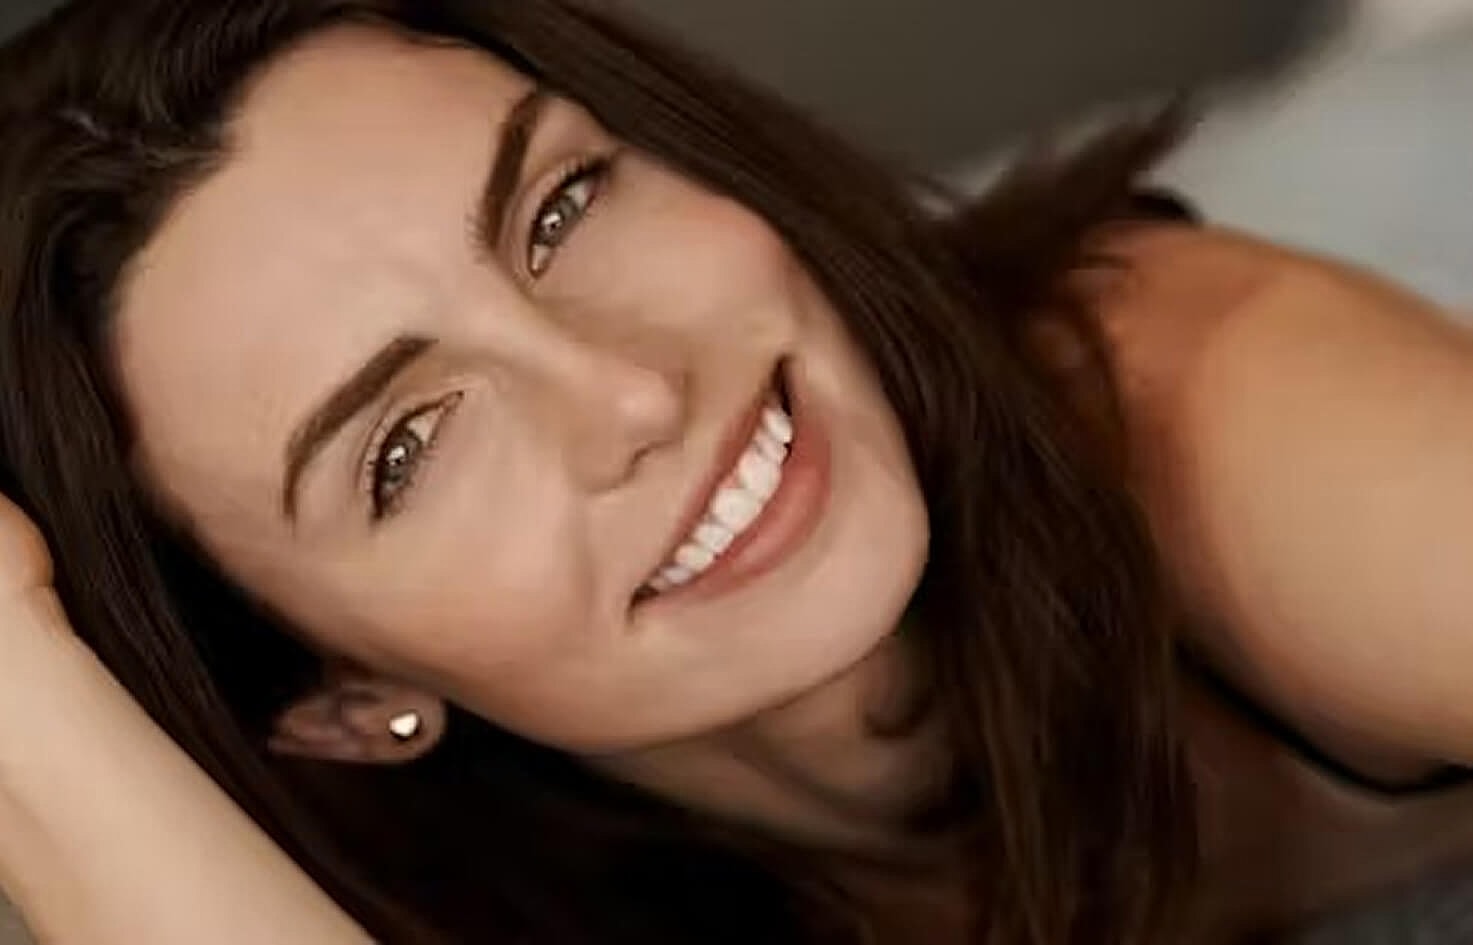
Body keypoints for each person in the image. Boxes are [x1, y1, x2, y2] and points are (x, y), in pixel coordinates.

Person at [1, 1, 1471, 943]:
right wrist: (32, 706)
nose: (629, 388)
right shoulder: (472, 889)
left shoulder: (1223, 417)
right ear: (333, 700)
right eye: (407, 446)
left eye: (561, 204)